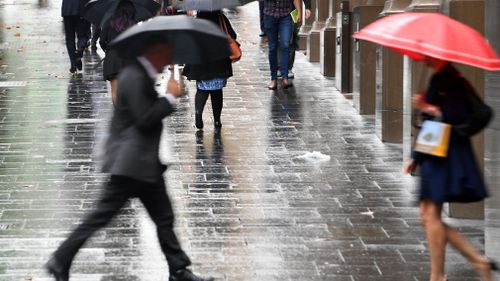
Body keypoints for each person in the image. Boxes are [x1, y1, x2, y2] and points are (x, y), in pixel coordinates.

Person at [45, 36, 214, 281]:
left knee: (164, 217)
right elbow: (144, 118)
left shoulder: (141, 74)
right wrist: (169, 98)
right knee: (101, 216)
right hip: (130, 164)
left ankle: (179, 269)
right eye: (166, 53)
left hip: (145, 164)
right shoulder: (134, 76)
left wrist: (168, 94)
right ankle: (60, 259)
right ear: (153, 52)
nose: (168, 59)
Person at [403, 56, 497, 281]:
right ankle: (478, 262)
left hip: (443, 154)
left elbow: (453, 117)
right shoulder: (439, 77)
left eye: (426, 52)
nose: (422, 56)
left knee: (430, 215)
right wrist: (416, 156)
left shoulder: (450, 79)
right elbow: (433, 123)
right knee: (427, 216)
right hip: (433, 152)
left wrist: (426, 107)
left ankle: (437, 276)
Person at [183, 10, 236, 132]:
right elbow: (233, 35)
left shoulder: (197, 22)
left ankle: (198, 114)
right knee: (217, 92)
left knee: (202, 90)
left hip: (202, 62)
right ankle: (217, 120)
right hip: (219, 60)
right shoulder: (220, 19)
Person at [99, 0, 137, 105]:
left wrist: (108, 50)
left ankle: (119, 114)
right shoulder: (134, 25)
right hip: (128, 60)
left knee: (115, 91)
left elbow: (102, 40)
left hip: (112, 60)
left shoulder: (109, 22)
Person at [263, 0, 301, 90]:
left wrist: (299, 11)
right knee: (272, 47)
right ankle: (273, 79)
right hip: (269, 15)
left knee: (285, 45)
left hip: (286, 16)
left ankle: (285, 78)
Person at [61, 0, 91, 73]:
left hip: (67, 9)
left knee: (69, 38)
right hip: (82, 8)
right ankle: (79, 52)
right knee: (82, 35)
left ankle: (73, 63)